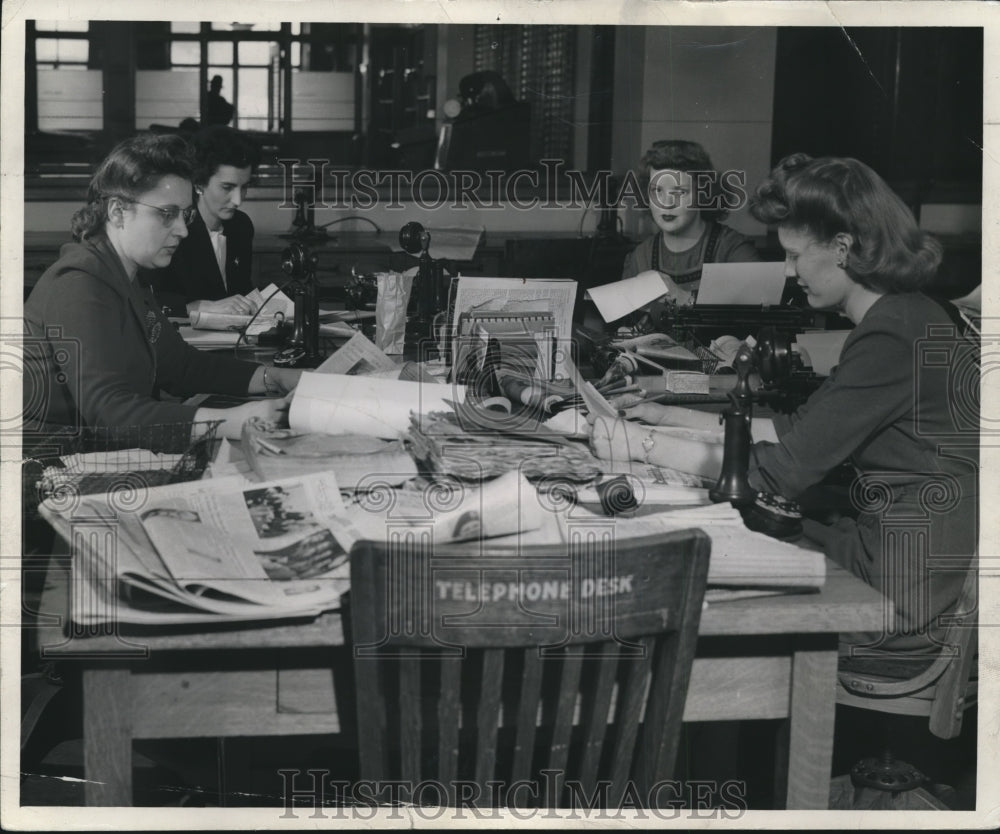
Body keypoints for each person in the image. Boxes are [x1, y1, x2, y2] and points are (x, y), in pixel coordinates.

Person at [591, 154, 979, 655]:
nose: (790, 272)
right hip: (903, 552)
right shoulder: (906, 315)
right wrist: (667, 417)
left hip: (900, 586)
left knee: (691, 584)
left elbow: (779, 473)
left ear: (843, 249)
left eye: (796, 256)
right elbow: (798, 430)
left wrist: (640, 445)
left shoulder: (891, 335)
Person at [22, 133, 301, 448]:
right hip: (49, 459)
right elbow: (111, 414)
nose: (182, 230)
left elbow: (181, 366)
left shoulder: (125, 275)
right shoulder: (78, 284)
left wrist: (273, 377)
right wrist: (235, 420)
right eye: (166, 214)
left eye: (185, 215)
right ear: (117, 211)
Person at [619, 140, 760, 321]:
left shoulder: (733, 249)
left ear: (702, 194)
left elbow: (759, 318)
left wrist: (681, 296)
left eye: (680, 192)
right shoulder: (640, 257)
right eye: (657, 191)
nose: (666, 203)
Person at [147, 125, 259, 317]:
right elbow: (148, 298)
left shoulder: (241, 226)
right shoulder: (172, 228)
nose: (238, 200)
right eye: (227, 187)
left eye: (244, 188)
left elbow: (241, 291)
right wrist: (197, 306)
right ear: (199, 183)